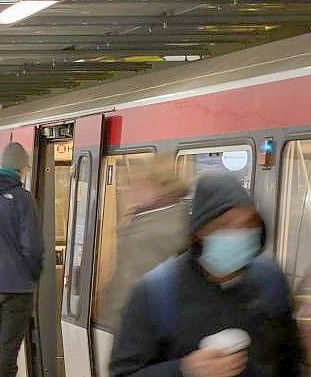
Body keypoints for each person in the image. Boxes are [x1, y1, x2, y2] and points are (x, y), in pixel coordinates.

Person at [110, 174, 303, 377]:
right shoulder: (155, 293)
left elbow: (289, 360)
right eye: (224, 225)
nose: (239, 234)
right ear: (199, 232)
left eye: (248, 223)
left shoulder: (270, 281)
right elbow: (123, 373)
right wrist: (185, 370)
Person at [100, 156, 189, 330]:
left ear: (159, 186)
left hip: (142, 325)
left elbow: (134, 283)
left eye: (139, 184)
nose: (132, 190)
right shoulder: (153, 218)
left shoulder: (158, 229)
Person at [0, 142, 43, 377]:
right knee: (9, 351)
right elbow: (33, 247)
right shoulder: (22, 199)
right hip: (18, 287)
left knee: (4, 347)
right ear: (20, 169)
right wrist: (33, 276)